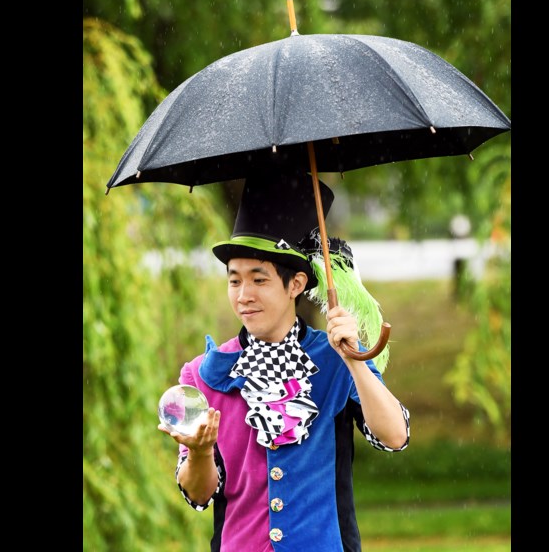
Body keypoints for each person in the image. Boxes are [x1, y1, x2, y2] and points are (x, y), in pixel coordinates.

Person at [158, 171, 411, 552]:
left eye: (259, 280)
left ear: (295, 284)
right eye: (234, 280)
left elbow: (395, 436)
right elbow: (198, 495)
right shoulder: (203, 374)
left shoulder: (336, 357)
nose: (244, 295)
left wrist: (355, 361)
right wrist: (199, 451)